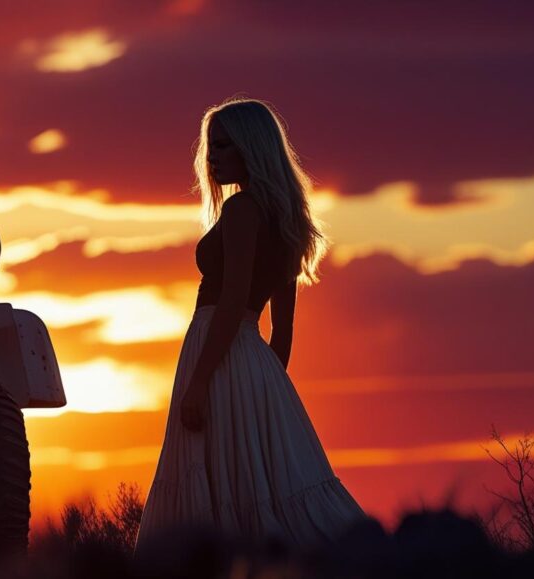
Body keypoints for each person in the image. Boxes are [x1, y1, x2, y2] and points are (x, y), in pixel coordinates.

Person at [135, 98, 365, 551]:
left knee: (217, 483)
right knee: (262, 486)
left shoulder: (241, 210)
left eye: (223, 146)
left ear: (251, 148)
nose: (212, 157)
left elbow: (232, 300)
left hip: (218, 352)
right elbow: (282, 332)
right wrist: (265, 390)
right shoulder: (288, 221)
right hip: (255, 364)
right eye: (210, 147)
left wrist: (200, 382)